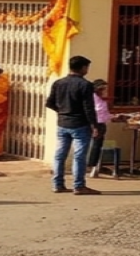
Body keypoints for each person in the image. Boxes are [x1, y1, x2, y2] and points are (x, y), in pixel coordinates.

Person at [46, 55, 101, 195]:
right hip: (80, 124)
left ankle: (57, 184)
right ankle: (79, 186)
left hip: (63, 123)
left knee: (59, 155)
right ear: (83, 68)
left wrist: (63, 112)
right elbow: (88, 107)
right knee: (79, 156)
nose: (87, 70)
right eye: (87, 67)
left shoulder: (58, 83)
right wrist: (94, 125)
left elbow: (49, 103)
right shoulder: (86, 85)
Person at [87, 79, 111, 178]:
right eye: (103, 89)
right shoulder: (94, 98)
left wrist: (111, 116)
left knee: (96, 146)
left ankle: (94, 167)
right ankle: (92, 166)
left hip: (99, 123)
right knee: (95, 146)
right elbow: (99, 112)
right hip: (97, 123)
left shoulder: (99, 98)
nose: (105, 91)